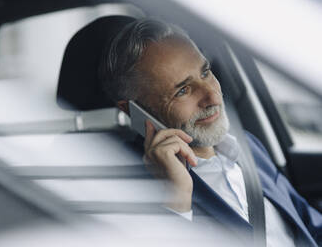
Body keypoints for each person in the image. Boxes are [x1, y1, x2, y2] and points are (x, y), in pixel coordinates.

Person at [96, 17, 322, 246]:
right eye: (183, 90)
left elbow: (310, 228)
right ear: (134, 110)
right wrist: (176, 202)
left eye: (205, 73)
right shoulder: (122, 187)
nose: (213, 96)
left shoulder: (248, 146)